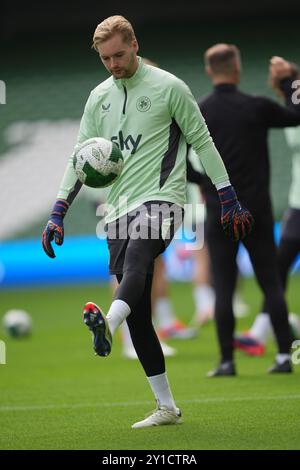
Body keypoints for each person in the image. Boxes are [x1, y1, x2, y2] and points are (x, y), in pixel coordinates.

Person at [41, 18, 253, 428]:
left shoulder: (169, 87)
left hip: (163, 199)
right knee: (141, 314)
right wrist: (58, 210)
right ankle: (166, 407)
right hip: (117, 208)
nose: (114, 64)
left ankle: (109, 320)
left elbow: (202, 141)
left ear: (134, 44)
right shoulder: (98, 97)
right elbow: (78, 158)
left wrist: (228, 195)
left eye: (119, 54)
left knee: (140, 255)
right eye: (106, 59)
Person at [199, 44, 300, 377]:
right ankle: (284, 357)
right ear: (237, 70)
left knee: (224, 288)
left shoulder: (201, 112)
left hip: (220, 212)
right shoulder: (255, 107)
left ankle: (227, 362)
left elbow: (171, 157)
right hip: (256, 209)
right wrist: (290, 82)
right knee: (271, 283)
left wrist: (203, 183)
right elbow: (296, 113)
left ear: (209, 71)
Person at [235, 56, 300, 355]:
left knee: (278, 266)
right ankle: (263, 332)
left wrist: (290, 80)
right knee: (278, 265)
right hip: (297, 204)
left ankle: (266, 331)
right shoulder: (289, 111)